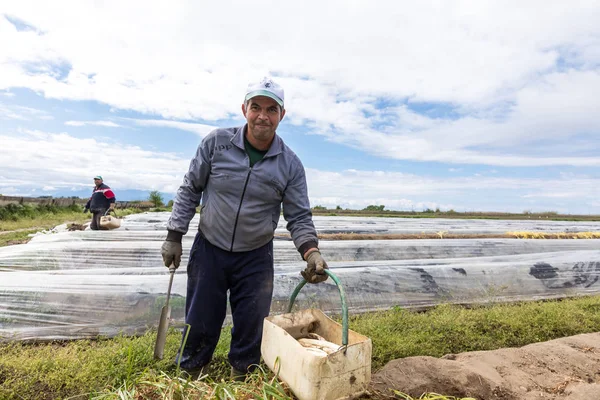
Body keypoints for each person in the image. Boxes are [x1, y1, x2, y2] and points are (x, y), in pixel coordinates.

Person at [161, 77, 329, 380]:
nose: (262, 115)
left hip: (255, 255)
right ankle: (192, 373)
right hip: (210, 247)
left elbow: (299, 216)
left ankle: (242, 376)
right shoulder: (216, 143)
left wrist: (311, 252)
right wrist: (174, 235)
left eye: (271, 109)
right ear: (244, 109)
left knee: (251, 323)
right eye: (256, 107)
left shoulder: (290, 164)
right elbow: (190, 188)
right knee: (200, 318)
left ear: (282, 115)